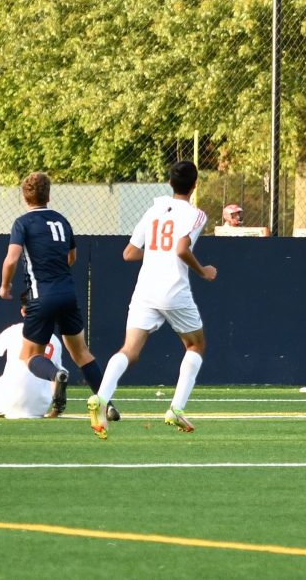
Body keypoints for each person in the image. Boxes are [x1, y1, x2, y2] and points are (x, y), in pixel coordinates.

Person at [87, 160, 217, 439]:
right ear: (195, 185)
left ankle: (101, 396)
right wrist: (203, 270)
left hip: (145, 289)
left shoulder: (154, 210)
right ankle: (176, 409)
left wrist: (158, 254)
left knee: (129, 350)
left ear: (170, 183)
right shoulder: (196, 215)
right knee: (195, 344)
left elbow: (129, 253)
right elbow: (182, 249)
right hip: (173, 289)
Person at [0, 171, 99, 417]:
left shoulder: (22, 223)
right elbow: (72, 257)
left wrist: (5, 285)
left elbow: (11, 259)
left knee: (30, 356)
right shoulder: (62, 221)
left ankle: (56, 374)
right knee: (82, 352)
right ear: (49, 195)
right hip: (68, 293)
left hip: (41, 295)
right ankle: (107, 402)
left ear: (24, 197)